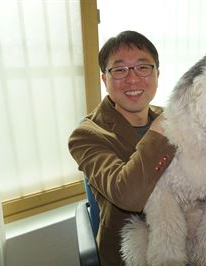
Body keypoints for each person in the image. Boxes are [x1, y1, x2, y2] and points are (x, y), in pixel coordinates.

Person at [68, 30, 176, 265]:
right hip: (130, 254)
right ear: (104, 80)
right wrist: (158, 132)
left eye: (143, 67)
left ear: (157, 74)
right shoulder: (86, 135)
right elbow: (128, 195)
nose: (133, 79)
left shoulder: (171, 119)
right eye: (119, 69)